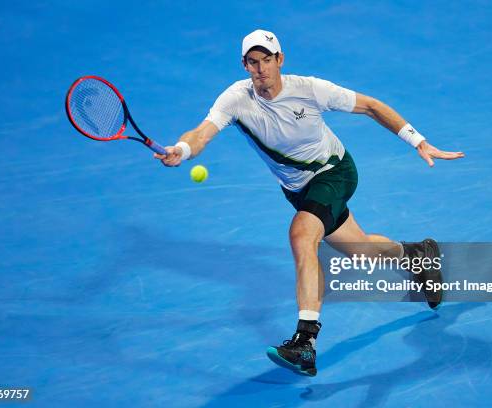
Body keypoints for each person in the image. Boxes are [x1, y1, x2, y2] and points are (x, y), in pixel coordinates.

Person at [155, 29, 465, 376]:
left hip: (334, 173)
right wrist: (181, 150)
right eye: (253, 62)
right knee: (360, 251)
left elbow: (372, 107)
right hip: (297, 189)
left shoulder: (310, 89)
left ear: (280, 60)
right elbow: (201, 133)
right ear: (245, 65)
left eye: (267, 61)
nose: (261, 70)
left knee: (302, 233)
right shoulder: (235, 98)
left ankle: (305, 341)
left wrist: (417, 140)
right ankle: (418, 256)